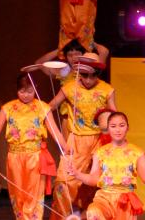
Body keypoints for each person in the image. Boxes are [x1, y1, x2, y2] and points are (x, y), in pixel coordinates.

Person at [0, 74, 60, 220]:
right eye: (22, 91)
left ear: (35, 89)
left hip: (35, 157)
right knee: (18, 194)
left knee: (33, 195)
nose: (25, 95)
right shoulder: (8, 108)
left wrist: (65, 149)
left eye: (29, 91)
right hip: (14, 157)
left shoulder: (42, 107)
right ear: (17, 90)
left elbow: (54, 131)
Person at [66, 111, 145, 219]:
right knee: (93, 212)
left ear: (127, 128)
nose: (118, 129)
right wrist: (77, 174)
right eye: (113, 126)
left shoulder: (136, 152)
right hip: (104, 199)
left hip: (124, 202)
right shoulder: (100, 152)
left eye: (122, 125)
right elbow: (94, 179)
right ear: (108, 129)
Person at [51, 53, 117, 219]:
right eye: (85, 75)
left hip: (99, 141)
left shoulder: (106, 90)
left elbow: (115, 116)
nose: (88, 80)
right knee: (63, 181)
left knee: (97, 183)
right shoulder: (69, 88)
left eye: (93, 76)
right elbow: (49, 107)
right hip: (76, 141)